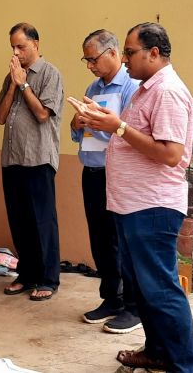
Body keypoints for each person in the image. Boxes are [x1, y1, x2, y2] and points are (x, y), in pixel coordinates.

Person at [69, 22, 193, 372]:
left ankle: (184, 366)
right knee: (144, 288)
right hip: (132, 205)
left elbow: (171, 153)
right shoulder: (147, 89)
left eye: (129, 52)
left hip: (152, 206)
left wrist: (119, 127)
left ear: (153, 53)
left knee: (161, 289)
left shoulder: (167, 91)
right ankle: (157, 351)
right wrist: (104, 122)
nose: (124, 59)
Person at [69, 29, 142, 334]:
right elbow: (80, 134)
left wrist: (96, 123)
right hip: (92, 172)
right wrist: (77, 123)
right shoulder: (93, 87)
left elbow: (129, 134)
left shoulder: (131, 87)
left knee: (122, 240)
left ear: (113, 53)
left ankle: (134, 306)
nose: (90, 66)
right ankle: (111, 297)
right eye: (86, 60)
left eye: (93, 59)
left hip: (119, 173)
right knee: (100, 240)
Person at [0, 23, 64, 301]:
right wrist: (13, 84)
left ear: (35, 44)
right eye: (12, 47)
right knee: (19, 221)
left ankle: (48, 279)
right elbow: (0, 116)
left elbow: (43, 115)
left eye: (20, 46)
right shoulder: (10, 76)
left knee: (42, 221)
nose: (15, 52)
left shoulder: (50, 74)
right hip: (12, 159)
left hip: (38, 159)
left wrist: (24, 84)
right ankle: (27, 275)